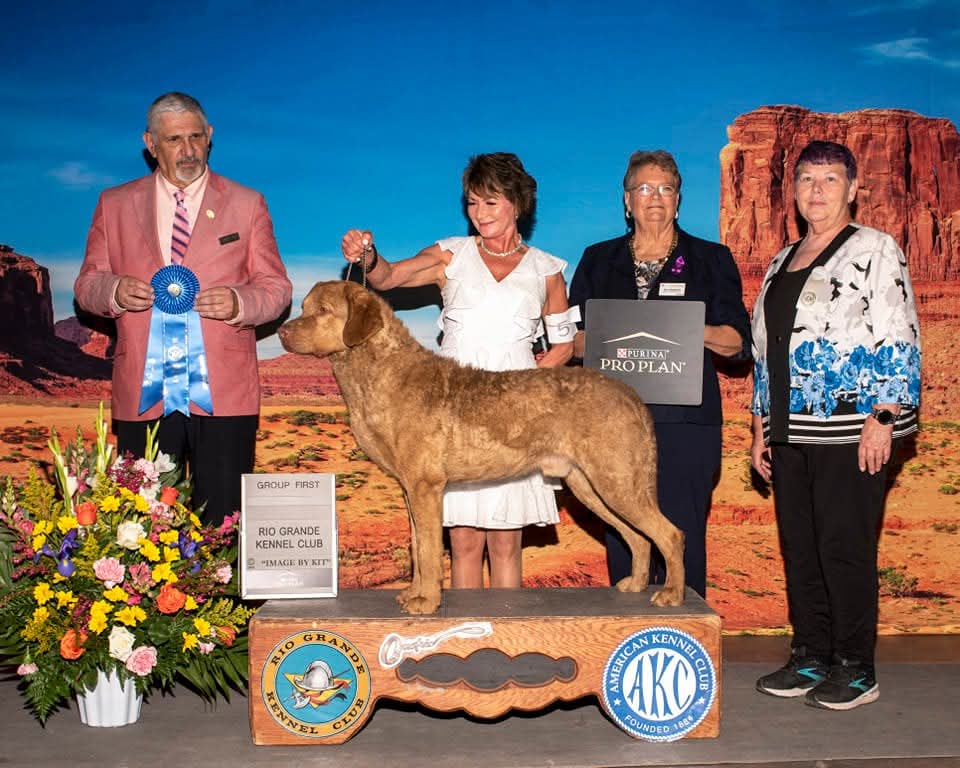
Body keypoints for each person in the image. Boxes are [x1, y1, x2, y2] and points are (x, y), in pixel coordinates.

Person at [341, 152, 576, 589]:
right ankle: (465, 642)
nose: (479, 213)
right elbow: (388, 278)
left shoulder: (547, 270)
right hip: (453, 414)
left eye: (491, 202)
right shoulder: (452, 254)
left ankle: (509, 644)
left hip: (514, 417)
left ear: (517, 204)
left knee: (507, 542)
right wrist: (369, 255)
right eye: (472, 203)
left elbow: (563, 344)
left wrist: (529, 391)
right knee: (464, 541)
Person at [750, 140, 921, 710]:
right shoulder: (780, 261)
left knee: (843, 548)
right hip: (788, 431)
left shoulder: (875, 249)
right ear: (792, 190)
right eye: (805, 179)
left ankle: (855, 667)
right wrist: (759, 427)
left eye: (829, 179)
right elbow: (765, 351)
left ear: (852, 189)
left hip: (851, 429)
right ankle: (810, 655)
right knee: (800, 549)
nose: (815, 190)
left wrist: (883, 416)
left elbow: (898, 333)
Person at [75, 92, 292, 525]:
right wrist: (114, 292)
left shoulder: (248, 203)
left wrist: (238, 301)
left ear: (210, 136)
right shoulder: (113, 204)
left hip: (225, 396)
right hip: (145, 394)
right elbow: (86, 286)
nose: (188, 150)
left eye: (196, 137)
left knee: (223, 524)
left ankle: (226, 596)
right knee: (144, 527)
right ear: (150, 144)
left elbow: (276, 288)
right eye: (174, 140)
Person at [569, 149, 751, 598]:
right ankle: (627, 646)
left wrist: (687, 328)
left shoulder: (712, 259)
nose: (655, 197)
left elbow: (737, 342)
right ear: (627, 200)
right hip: (611, 423)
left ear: (678, 200)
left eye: (665, 188)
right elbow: (570, 339)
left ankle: (685, 642)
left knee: (681, 529)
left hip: (685, 422)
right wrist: (603, 337)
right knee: (624, 526)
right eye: (644, 188)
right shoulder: (597, 259)